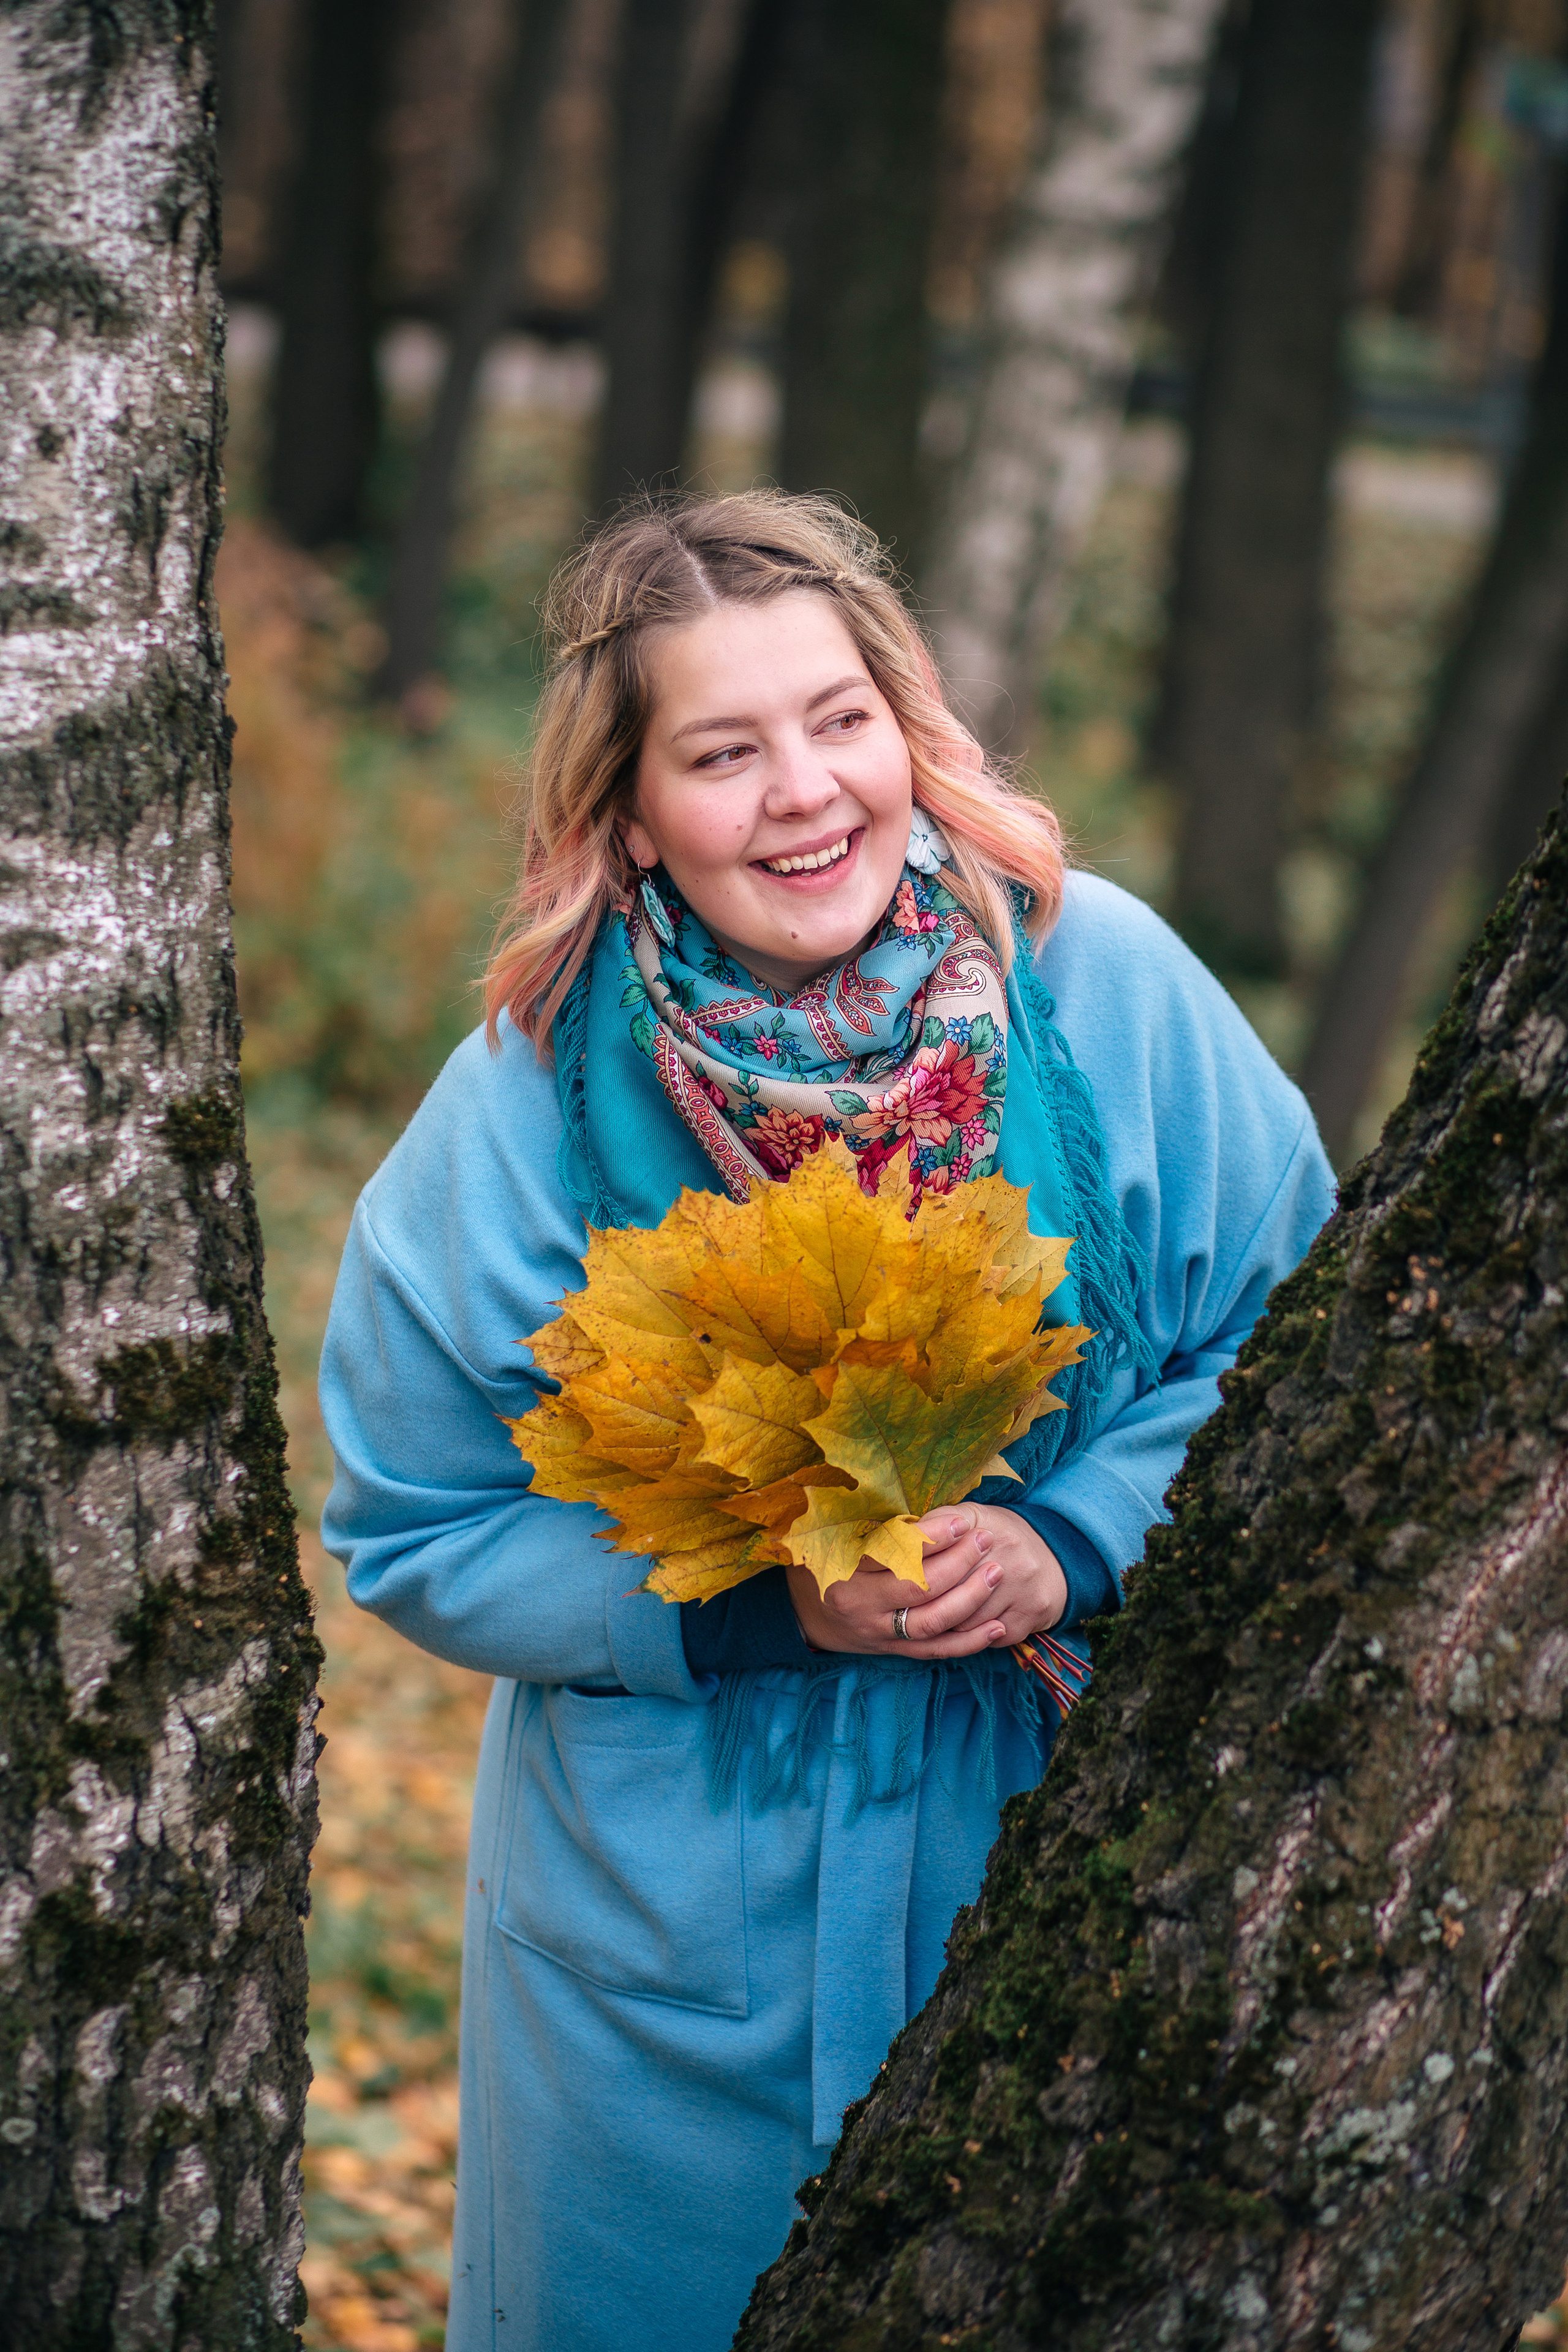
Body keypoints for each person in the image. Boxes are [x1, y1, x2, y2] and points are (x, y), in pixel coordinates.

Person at [318, 491, 1334, 2352]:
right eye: (723, 752)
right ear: (628, 812)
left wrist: (1070, 1532)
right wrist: (748, 1605)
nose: (804, 792)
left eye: (838, 719)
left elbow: (1301, 1346)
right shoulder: (531, 1098)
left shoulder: (1097, 985)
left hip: (1069, 1876)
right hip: (666, 1968)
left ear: (909, 723)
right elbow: (415, 1522)